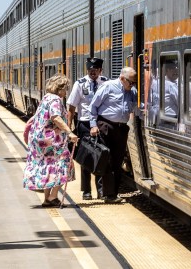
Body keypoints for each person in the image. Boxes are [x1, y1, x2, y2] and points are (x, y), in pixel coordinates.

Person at [88, 66, 143, 203]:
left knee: (117, 161)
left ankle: (113, 193)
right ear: (122, 78)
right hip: (105, 126)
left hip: (121, 129)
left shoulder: (132, 91)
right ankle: (106, 194)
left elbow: (137, 109)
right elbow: (93, 107)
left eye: (135, 82)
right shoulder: (108, 86)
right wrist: (93, 125)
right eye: (131, 82)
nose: (133, 85)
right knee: (106, 159)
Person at [23, 74, 79, 208]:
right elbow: (55, 117)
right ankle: (53, 197)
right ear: (60, 89)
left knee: (49, 165)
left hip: (39, 139)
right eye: (65, 89)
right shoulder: (55, 100)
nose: (66, 92)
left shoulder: (46, 98)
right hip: (51, 140)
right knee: (64, 163)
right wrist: (69, 132)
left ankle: (47, 199)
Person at [67, 57, 108, 200]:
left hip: (101, 124)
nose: (92, 72)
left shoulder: (105, 82)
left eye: (95, 70)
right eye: (90, 70)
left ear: (100, 70)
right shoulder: (79, 84)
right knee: (86, 157)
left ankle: (102, 190)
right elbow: (72, 107)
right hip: (84, 124)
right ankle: (86, 191)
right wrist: (69, 127)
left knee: (101, 156)